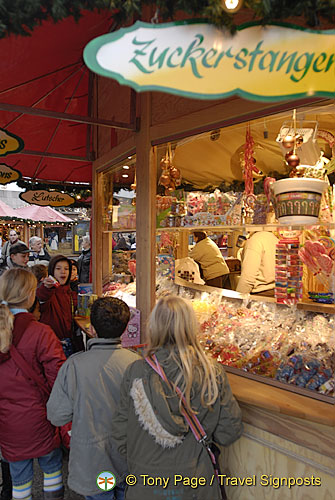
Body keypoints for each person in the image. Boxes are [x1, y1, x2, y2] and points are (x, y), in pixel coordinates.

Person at [111, 295, 243, 500]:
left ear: (154, 326)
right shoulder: (211, 372)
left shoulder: (136, 371)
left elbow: (120, 434)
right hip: (195, 483)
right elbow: (229, 433)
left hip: (145, 483)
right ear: (191, 327)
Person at [47, 297, 140, 500]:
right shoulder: (137, 364)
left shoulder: (74, 366)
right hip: (130, 458)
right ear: (125, 329)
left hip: (95, 461)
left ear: (93, 328)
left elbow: (56, 415)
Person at [0, 268, 66, 500]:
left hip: (8, 421)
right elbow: (59, 377)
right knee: (51, 468)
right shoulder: (41, 332)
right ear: (30, 295)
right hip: (41, 416)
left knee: (19, 476)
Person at [37, 255, 77, 358]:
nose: (63, 271)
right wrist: (46, 287)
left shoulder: (71, 293)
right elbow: (41, 297)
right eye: (58, 268)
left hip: (69, 342)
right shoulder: (48, 291)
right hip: (51, 344)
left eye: (66, 269)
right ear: (51, 271)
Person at [236, 230, 279, 296]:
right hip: (276, 292)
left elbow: (248, 278)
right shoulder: (274, 238)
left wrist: (237, 299)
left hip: (261, 294)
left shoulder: (254, 241)